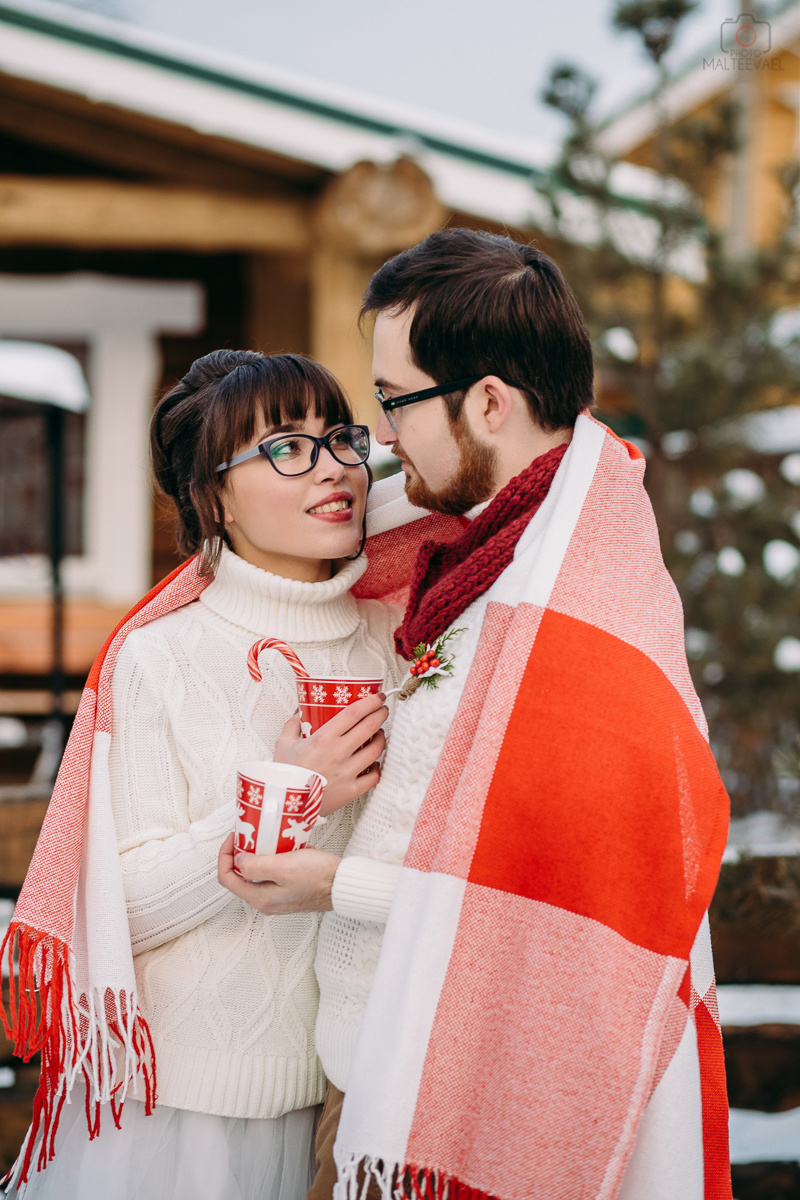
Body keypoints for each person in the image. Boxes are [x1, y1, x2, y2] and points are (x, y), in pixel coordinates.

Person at [220, 230, 732, 1200]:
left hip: (466, 1119)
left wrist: (333, 882)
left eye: (393, 401)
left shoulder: (581, 629)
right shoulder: (470, 564)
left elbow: (556, 910)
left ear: (487, 401)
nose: (378, 439)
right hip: (379, 1081)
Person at [1, 350, 406, 1200]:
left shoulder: (400, 638)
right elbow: (121, 906)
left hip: (354, 1097)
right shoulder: (159, 657)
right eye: (286, 447)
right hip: (185, 1110)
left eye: (340, 438)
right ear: (213, 495)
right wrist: (288, 797)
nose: (332, 467)